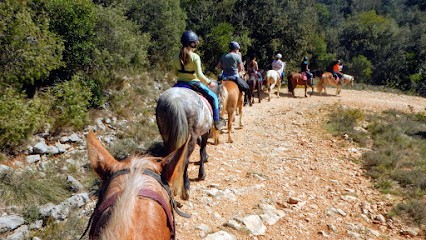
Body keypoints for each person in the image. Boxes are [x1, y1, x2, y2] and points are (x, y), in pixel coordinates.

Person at [174, 30, 224, 130]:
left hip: (179, 83)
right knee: (214, 97)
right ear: (191, 43)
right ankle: (217, 121)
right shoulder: (195, 57)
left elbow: (176, 73)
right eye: (195, 43)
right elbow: (199, 75)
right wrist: (209, 82)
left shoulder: (176, 56)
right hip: (193, 83)